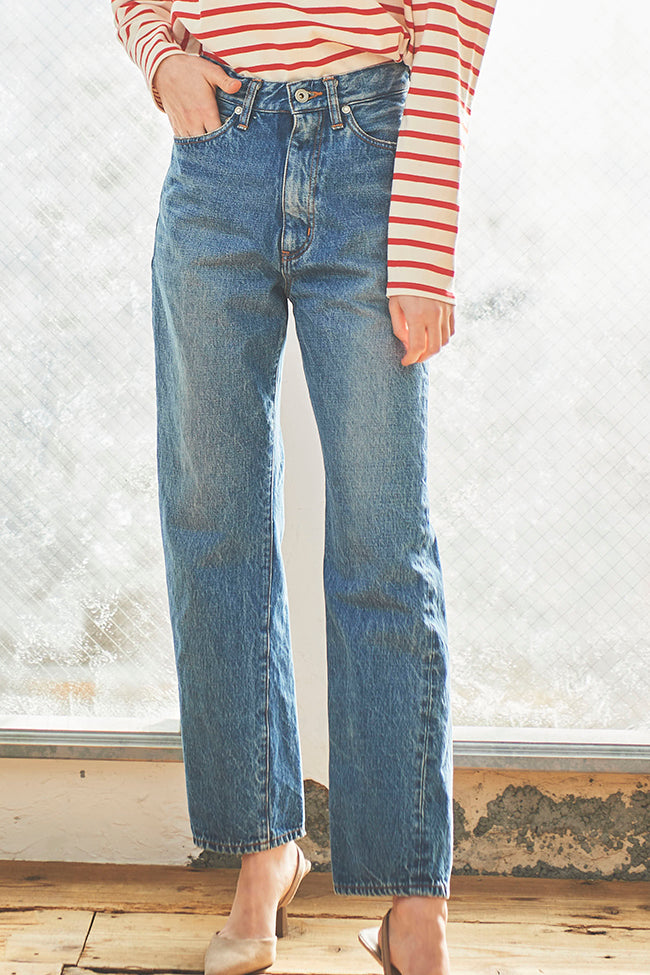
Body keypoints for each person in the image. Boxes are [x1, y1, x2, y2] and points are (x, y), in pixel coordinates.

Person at [110, 3, 496, 974]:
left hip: (372, 154)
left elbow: (453, 20)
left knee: (383, 540)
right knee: (214, 524)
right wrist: (160, 58)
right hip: (217, 154)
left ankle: (415, 908)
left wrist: (423, 247)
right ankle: (262, 858)